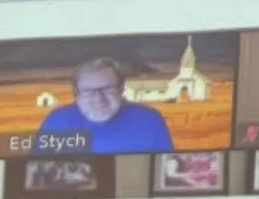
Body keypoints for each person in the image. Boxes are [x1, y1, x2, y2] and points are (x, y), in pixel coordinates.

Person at [35, 57, 173, 153]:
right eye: (88, 91)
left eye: (107, 89)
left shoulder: (149, 120)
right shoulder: (56, 122)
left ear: (121, 89)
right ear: (76, 93)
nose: (99, 99)